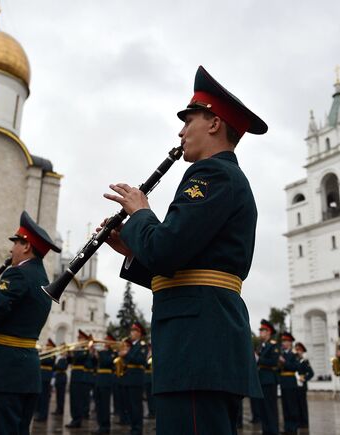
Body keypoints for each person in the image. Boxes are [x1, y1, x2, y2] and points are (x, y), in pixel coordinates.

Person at [101, 65, 266, 434]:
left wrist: (142, 214)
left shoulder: (212, 174)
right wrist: (130, 248)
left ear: (213, 123)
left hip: (197, 349)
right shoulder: (218, 175)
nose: (180, 130)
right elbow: (183, 270)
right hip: (199, 345)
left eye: (188, 119)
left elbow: (166, 250)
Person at [0, 211, 61, 434]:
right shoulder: (41, 278)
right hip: (24, 373)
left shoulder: (17, 274)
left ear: (26, 246)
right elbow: (11, 318)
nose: (11, 250)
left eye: (15, 243)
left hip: (2, 374)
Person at [120, 323, 147, 435]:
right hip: (128, 378)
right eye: (131, 330)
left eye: (134, 330)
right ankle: (133, 428)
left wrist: (126, 354)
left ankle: (137, 429)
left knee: (136, 406)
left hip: (136, 379)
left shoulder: (142, 345)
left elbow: (140, 360)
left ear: (139, 333)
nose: (131, 332)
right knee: (129, 406)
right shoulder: (130, 346)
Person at [254, 319, 280, 434]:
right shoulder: (261, 346)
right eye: (260, 330)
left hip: (269, 380)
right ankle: (266, 431)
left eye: (262, 330)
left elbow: (274, 362)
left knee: (270, 409)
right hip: (261, 381)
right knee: (262, 410)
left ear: (268, 331)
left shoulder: (273, 345)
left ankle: (273, 431)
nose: (260, 332)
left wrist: (259, 359)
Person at [66, 330, 93, 429]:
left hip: (81, 376)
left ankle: (78, 420)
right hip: (74, 375)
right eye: (78, 338)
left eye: (80, 338)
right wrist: (68, 354)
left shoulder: (85, 350)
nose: (78, 339)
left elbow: (80, 358)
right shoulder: (77, 350)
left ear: (84, 340)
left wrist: (73, 352)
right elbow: (70, 362)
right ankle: (74, 419)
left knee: (78, 400)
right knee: (73, 399)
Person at [92, 333, 117, 434]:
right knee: (98, 404)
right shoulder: (103, 352)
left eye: (106, 340)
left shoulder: (112, 353)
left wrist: (99, 353)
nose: (104, 342)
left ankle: (105, 427)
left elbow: (107, 362)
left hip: (106, 380)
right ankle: (100, 426)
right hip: (99, 380)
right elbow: (94, 364)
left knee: (105, 405)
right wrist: (92, 353)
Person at [279, 332, 300, 435]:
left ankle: (294, 427)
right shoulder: (282, 353)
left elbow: (295, 367)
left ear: (290, 342)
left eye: (286, 341)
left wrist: (284, 362)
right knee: (285, 406)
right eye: (283, 341)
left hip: (291, 381)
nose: (284, 343)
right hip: (283, 382)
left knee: (292, 406)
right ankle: (287, 427)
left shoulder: (294, 354)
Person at [35, 339, 56, 422]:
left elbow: (46, 361)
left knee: (44, 397)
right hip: (41, 376)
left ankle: (43, 415)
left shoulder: (52, 355)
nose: (46, 347)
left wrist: (42, 353)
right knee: (40, 397)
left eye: (48, 346)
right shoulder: (45, 353)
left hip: (46, 377)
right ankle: (39, 413)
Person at [294, 342, 314, 432]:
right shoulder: (294, 361)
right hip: (294, 385)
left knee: (302, 404)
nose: (298, 352)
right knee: (296, 404)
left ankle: (305, 422)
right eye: (296, 350)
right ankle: (298, 421)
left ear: (302, 351)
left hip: (302, 385)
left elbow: (311, 373)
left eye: (299, 350)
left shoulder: (305, 362)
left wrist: (304, 378)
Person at [53, 350, 69, 416]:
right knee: (58, 395)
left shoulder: (65, 359)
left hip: (62, 377)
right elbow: (54, 368)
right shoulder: (59, 359)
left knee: (61, 395)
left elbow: (63, 367)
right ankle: (58, 409)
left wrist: (56, 364)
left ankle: (60, 409)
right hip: (58, 377)